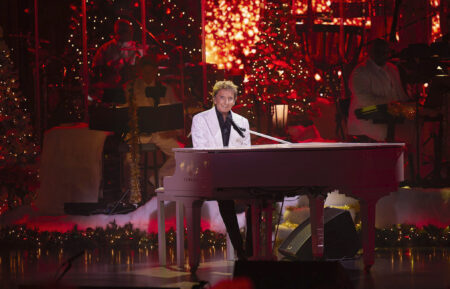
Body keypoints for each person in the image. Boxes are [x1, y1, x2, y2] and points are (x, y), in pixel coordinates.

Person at [191, 80, 252, 260]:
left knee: (256, 200)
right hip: (212, 172)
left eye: (230, 99)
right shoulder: (200, 119)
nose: (226, 102)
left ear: (235, 101)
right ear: (214, 99)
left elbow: (246, 150)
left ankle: (250, 249)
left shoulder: (242, 122)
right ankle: (239, 249)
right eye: (222, 98)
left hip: (237, 172)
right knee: (225, 200)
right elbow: (200, 150)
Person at [122, 55, 181, 195]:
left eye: (150, 71)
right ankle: (133, 192)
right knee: (130, 159)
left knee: (180, 154)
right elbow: (124, 111)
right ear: (140, 72)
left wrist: (174, 131)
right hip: (139, 134)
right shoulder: (131, 88)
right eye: (145, 72)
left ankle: (157, 178)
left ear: (155, 71)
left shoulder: (166, 89)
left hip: (159, 133)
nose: (148, 75)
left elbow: (176, 112)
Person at [347, 38, 411, 142]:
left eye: (385, 52)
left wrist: (409, 104)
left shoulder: (392, 69)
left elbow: (399, 94)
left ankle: (410, 152)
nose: (382, 55)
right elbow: (364, 100)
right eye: (378, 51)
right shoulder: (361, 71)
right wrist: (392, 104)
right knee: (393, 126)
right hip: (365, 117)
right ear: (371, 52)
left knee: (415, 117)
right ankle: (392, 151)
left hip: (389, 112)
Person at [92, 19, 142, 100]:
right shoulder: (105, 48)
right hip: (111, 90)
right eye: (123, 31)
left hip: (133, 91)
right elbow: (97, 69)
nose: (126, 33)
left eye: (127, 30)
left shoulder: (139, 49)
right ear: (116, 32)